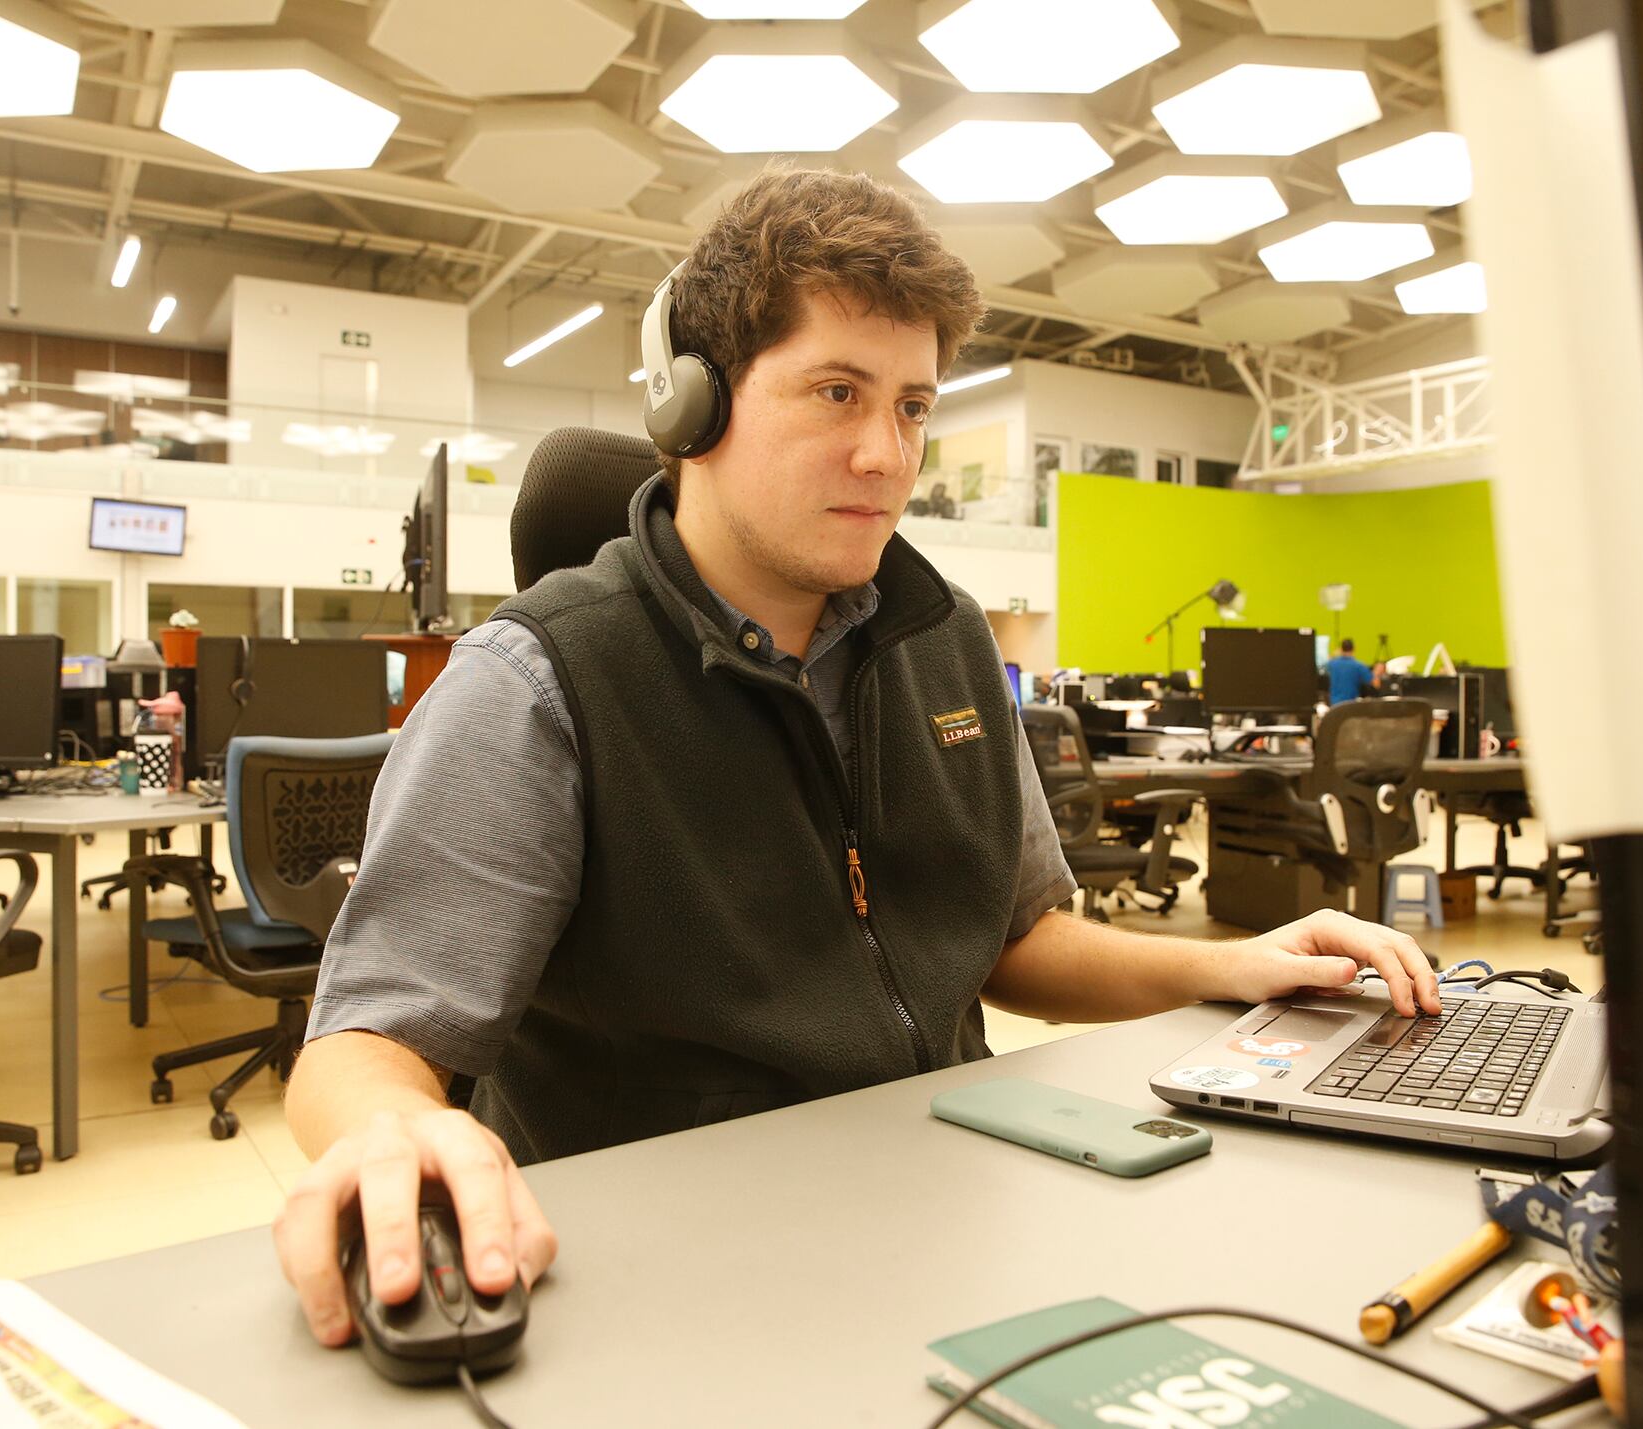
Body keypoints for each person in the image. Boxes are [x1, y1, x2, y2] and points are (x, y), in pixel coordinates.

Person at [274, 166, 1441, 1348]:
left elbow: (1014, 944)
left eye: (912, 406)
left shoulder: (943, 642)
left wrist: (1229, 967)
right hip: (674, 1271)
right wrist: (385, 1129)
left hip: (945, 1209)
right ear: (692, 406)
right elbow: (368, 1043)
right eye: (836, 392)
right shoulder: (537, 683)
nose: (886, 454)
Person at [1325, 638, 1377, 705]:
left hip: (1335, 704)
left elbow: (1326, 661)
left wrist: (1334, 654)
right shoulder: (1359, 666)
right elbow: (1374, 682)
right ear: (1354, 649)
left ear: (1341, 649)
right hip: (1350, 705)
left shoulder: (1332, 664)